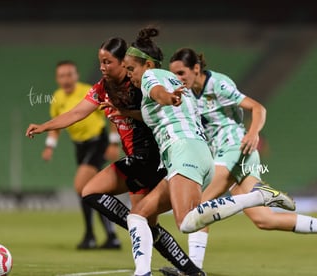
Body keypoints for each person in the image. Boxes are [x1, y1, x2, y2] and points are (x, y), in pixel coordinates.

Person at [26, 38, 207, 276]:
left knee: (91, 191)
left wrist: (131, 110)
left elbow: (158, 106)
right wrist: (45, 126)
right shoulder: (103, 87)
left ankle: (146, 261)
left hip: (150, 158)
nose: (102, 67)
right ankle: (191, 270)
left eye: (107, 62)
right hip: (136, 159)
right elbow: (78, 112)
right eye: (100, 61)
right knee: (147, 225)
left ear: (124, 62)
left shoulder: (139, 84)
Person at [123, 27, 296, 276]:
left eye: (131, 69)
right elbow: (164, 108)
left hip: (183, 152)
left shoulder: (152, 78)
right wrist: (130, 112)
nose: (130, 75)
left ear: (147, 64)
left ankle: (257, 196)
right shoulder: (178, 83)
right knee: (138, 215)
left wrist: (166, 98)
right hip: (196, 153)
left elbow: (158, 95)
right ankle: (142, 273)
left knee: (186, 223)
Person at [166, 47, 317, 271]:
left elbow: (258, 108)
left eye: (181, 73)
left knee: (199, 206)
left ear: (196, 69)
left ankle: (192, 268)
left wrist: (253, 133)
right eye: (174, 74)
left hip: (236, 150)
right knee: (264, 220)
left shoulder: (218, 84)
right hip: (230, 157)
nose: (177, 79)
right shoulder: (186, 95)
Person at [43, 60, 121, 250]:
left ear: (76, 76)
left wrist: (112, 142)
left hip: (97, 142)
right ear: (57, 78)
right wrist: (49, 146)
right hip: (80, 147)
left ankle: (91, 235)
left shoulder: (89, 91)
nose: (66, 79)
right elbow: (57, 125)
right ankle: (109, 236)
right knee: (91, 190)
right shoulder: (57, 97)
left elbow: (111, 113)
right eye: (62, 75)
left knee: (81, 186)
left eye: (69, 74)